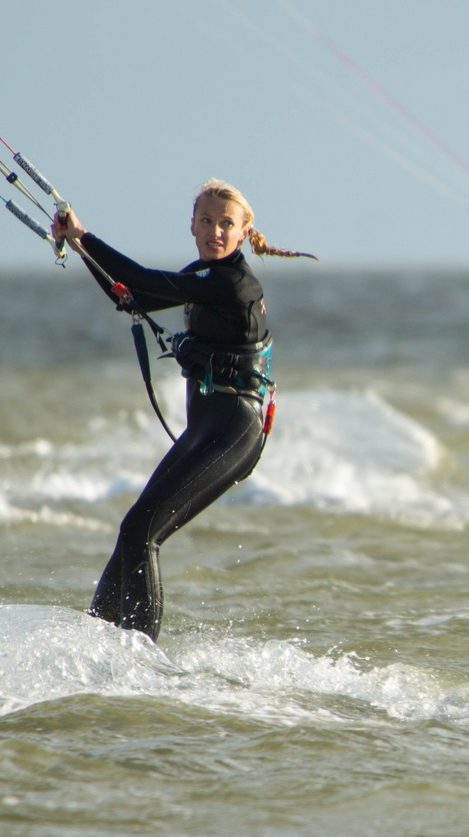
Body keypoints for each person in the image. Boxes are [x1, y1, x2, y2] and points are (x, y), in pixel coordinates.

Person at [51, 180, 314, 641]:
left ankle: (140, 661)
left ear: (242, 230)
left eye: (226, 224)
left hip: (235, 430)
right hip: (207, 428)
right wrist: (81, 249)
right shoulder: (205, 277)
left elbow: (147, 281)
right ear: (192, 226)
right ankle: (98, 642)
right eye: (207, 222)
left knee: (142, 533)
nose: (216, 232)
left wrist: (83, 237)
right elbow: (129, 296)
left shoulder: (234, 283)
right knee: (131, 532)